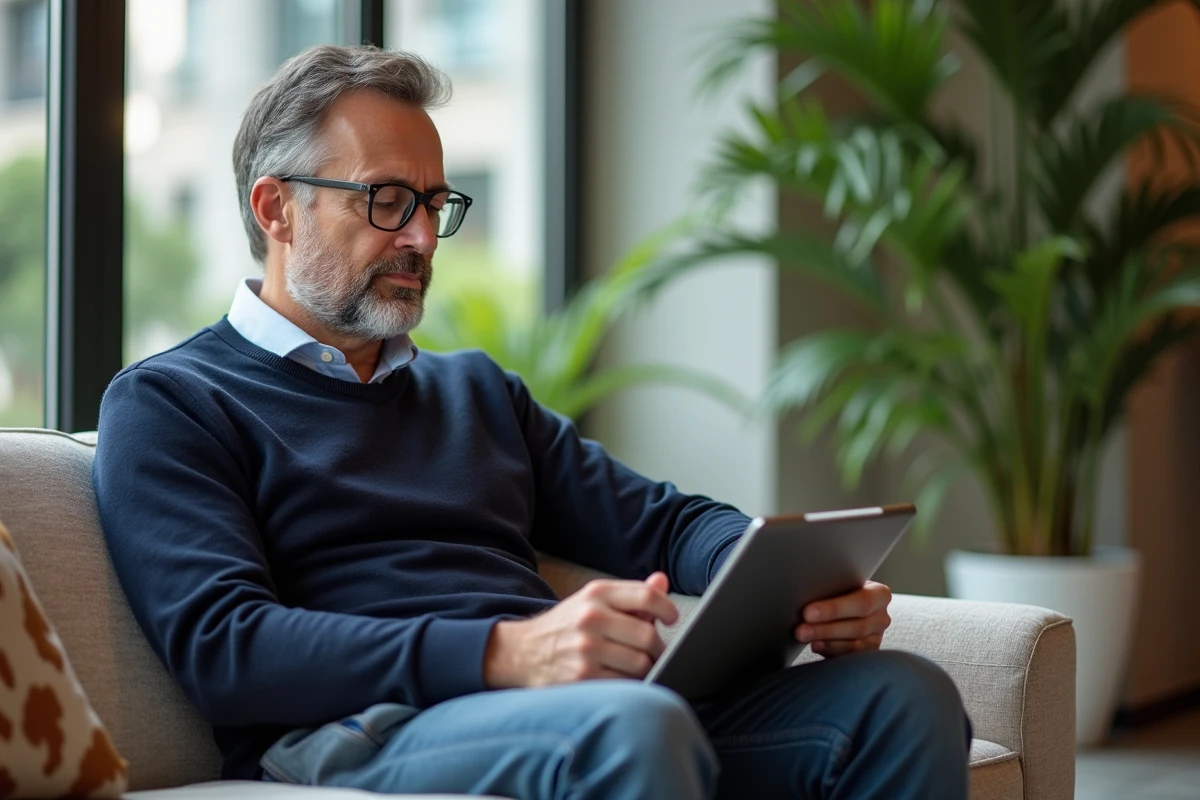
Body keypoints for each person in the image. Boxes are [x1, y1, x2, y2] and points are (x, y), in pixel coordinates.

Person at [93, 45, 970, 799]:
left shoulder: (475, 394)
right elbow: (225, 645)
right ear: (276, 208)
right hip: (370, 730)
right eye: (387, 199)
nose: (424, 239)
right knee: (630, 731)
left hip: (572, 709)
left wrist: (797, 582)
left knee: (902, 699)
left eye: (435, 204)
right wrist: (506, 652)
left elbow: (663, 523)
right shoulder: (171, 403)